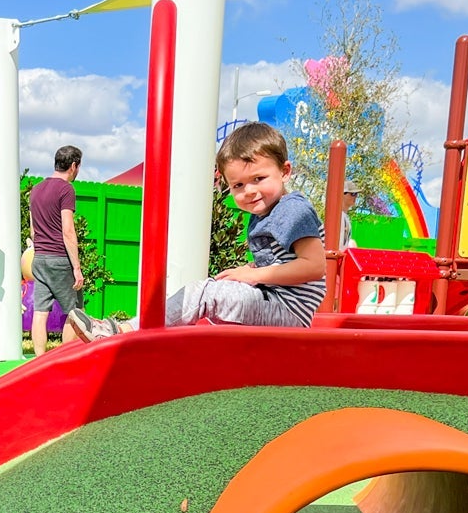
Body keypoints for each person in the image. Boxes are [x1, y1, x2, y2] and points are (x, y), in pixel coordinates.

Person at [69, 122, 324, 339]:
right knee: (215, 287)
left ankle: (126, 330)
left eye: (259, 179)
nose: (249, 191)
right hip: (276, 303)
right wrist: (249, 271)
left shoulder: (292, 209)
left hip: (288, 311)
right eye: (238, 185)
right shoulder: (265, 213)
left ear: (285, 171)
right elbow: (283, 262)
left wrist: (253, 276)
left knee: (204, 293)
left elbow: (314, 267)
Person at [28, 145, 87, 356]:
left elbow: (33, 231)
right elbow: (68, 231)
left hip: (40, 258)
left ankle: (38, 361)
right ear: (73, 166)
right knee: (75, 313)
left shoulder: (36, 189)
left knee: (40, 312)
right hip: (60, 260)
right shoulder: (66, 189)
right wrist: (77, 268)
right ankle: (64, 359)